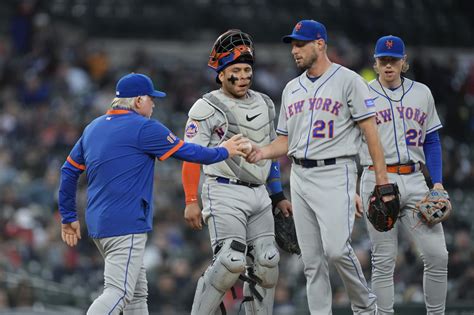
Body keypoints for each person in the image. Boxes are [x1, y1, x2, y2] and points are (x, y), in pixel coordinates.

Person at [58, 72, 248, 315]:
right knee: (119, 293)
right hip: (125, 223)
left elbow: (68, 172)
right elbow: (188, 152)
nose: (154, 103)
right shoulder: (143, 127)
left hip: (99, 222)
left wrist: (68, 216)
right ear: (138, 100)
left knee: (137, 296)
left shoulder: (93, 128)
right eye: (150, 98)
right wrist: (224, 151)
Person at [247, 20, 394, 314]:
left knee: (337, 251)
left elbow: (371, 133)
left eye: (301, 44)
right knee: (312, 262)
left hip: (335, 171)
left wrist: (382, 180)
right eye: (293, 45)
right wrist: (260, 152)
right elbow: (284, 142)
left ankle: (367, 308)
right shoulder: (291, 88)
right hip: (299, 175)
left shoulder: (349, 80)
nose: (295, 50)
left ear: (320, 44)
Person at [181, 29, 292, 314]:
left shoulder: (266, 103)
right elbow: (190, 156)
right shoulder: (205, 107)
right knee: (230, 261)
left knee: (268, 262)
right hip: (223, 188)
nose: (243, 76)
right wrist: (191, 201)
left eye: (247, 69)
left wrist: (278, 194)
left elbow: (272, 153)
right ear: (220, 74)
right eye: (235, 70)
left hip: (259, 193)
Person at [358, 35, 449, 314]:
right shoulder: (362, 94)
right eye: (383, 61)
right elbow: (349, 145)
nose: (388, 66)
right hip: (376, 178)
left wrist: (437, 182)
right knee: (384, 259)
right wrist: (352, 188)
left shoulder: (422, 93)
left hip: (414, 179)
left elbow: (431, 141)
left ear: (403, 62)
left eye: (393, 60)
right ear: (375, 63)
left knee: (438, 255)